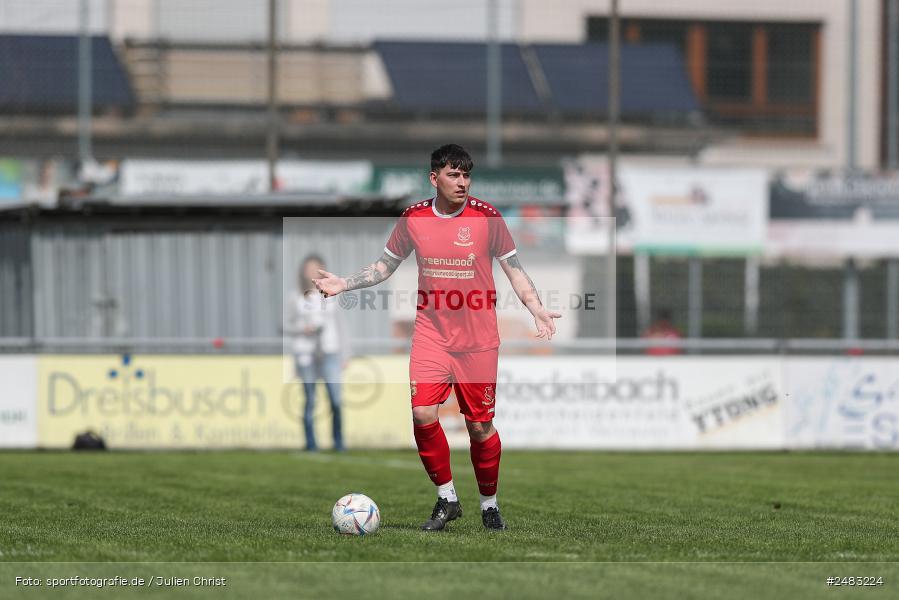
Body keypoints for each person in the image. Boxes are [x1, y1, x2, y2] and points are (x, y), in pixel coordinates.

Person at [313, 144, 560, 531]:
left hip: (478, 340)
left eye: (466, 176)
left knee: (479, 427)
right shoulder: (413, 219)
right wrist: (344, 282)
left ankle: (489, 504)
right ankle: (447, 498)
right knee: (422, 413)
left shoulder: (488, 217)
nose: (462, 183)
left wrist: (536, 307)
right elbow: (384, 267)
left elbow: (514, 270)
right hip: (431, 335)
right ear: (434, 178)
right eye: (453, 175)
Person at [284, 254, 347, 451]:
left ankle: (338, 442)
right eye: (308, 268)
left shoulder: (331, 294)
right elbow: (285, 324)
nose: (311, 271)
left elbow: (342, 327)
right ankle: (311, 444)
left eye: (315, 268)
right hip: (306, 354)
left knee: (336, 400)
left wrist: (346, 354)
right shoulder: (294, 297)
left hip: (330, 352)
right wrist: (302, 329)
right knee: (310, 399)